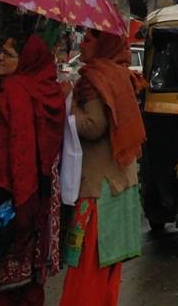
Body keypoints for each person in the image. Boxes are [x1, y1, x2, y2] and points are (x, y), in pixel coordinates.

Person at [0, 34, 65, 305]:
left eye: (8, 53)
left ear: (25, 61)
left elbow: (19, 152)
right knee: (23, 286)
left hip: (7, 202)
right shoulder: (44, 91)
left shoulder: (16, 94)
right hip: (33, 203)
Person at [59, 30, 146, 306]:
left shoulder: (96, 79)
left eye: (88, 40)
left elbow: (94, 126)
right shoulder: (120, 75)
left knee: (88, 262)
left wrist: (68, 103)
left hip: (98, 187)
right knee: (107, 262)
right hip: (120, 182)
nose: (82, 45)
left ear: (103, 44)